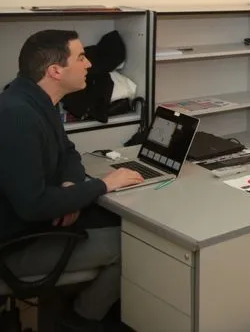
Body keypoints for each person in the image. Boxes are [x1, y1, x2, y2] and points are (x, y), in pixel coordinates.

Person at [0, 30, 145, 330]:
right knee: (134, 244)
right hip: (14, 248)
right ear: (55, 71)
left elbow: (68, 153)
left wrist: (71, 187)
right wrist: (102, 185)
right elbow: (33, 205)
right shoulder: (18, 116)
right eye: (80, 57)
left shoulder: (35, 98)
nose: (89, 64)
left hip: (35, 224)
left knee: (118, 220)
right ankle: (81, 319)